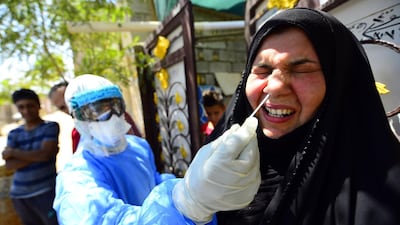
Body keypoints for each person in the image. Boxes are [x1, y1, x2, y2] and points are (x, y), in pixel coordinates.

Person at [204, 7, 400, 225]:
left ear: (339, 83)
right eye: (262, 70)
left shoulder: (383, 197)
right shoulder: (217, 167)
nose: (275, 86)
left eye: (302, 69)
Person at [52, 74, 261, 225]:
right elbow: (103, 220)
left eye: (115, 105)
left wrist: (184, 183)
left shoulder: (137, 146)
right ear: (78, 119)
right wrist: (184, 203)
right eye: (98, 111)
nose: (113, 116)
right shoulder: (75, 178)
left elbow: (150, 180)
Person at [2, 88, 59, 225]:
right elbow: (10, 165)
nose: (26, 111)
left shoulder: (50, 127)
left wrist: (13, 153)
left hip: (47, 193)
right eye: (21, 107)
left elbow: (45, 155)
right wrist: (39, 155)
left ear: (38, 105)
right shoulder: (14, 133)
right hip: (19, 196)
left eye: (30, 105)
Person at [48, 81, 142, 153]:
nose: (70, 109)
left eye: (72, 103)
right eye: (63, 107)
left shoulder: (118, 116)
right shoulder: (77, 134)